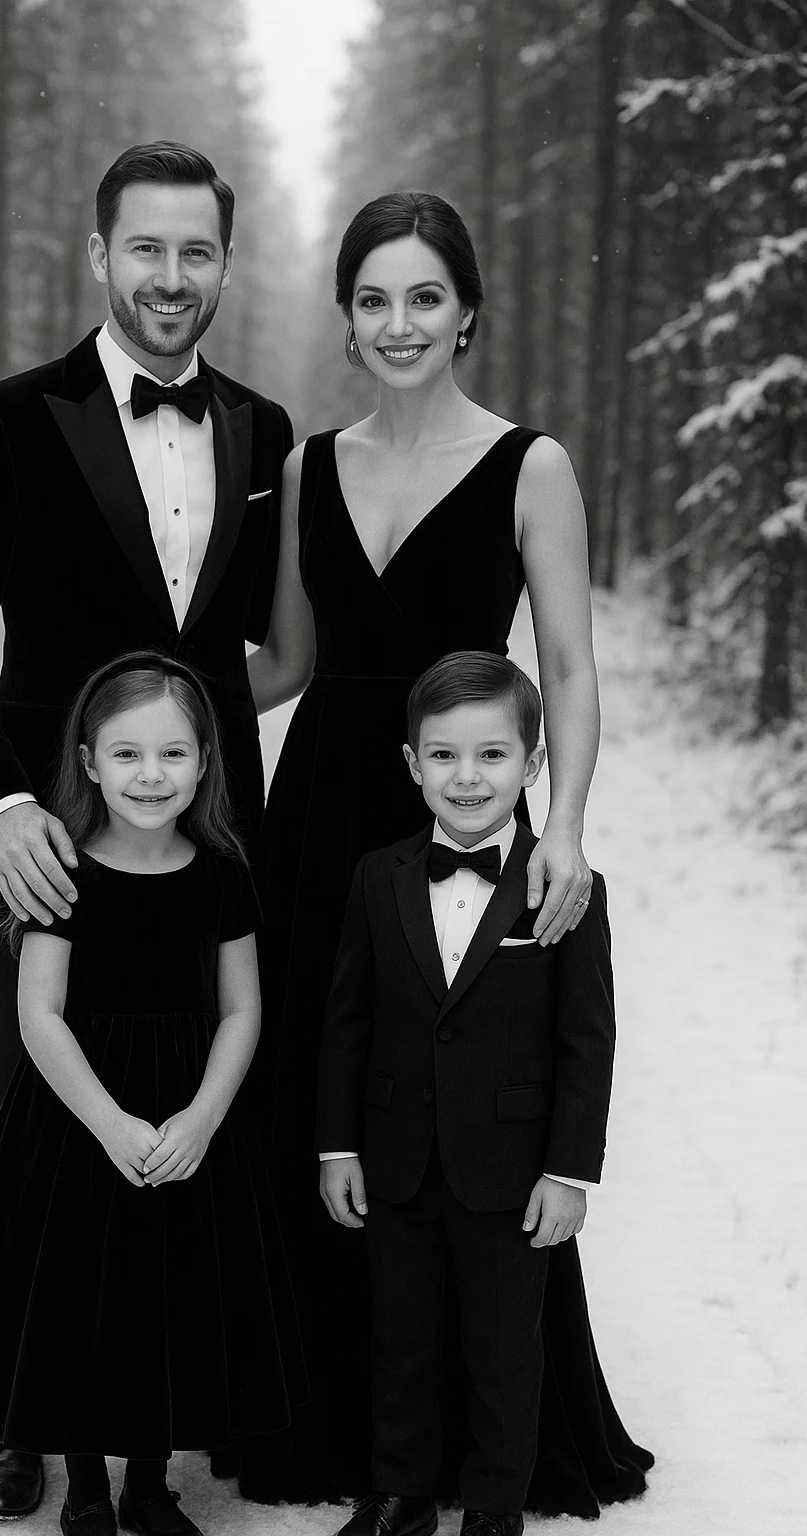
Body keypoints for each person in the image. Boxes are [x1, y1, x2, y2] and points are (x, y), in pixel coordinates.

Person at [237, 191, 652, 1512]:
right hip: (318, 828)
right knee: (330, 1101)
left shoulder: (531, 464)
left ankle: (493, 1433)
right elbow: (289, 664)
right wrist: (136, 707)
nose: (399, 321)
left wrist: (567, 825)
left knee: (476, 1108)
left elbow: (572, 670)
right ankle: (325, 1423)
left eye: (425, 296)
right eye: (373, 298)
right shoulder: (308, 466)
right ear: (347, 320)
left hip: (462, 809)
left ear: (467, 311)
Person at [0, 141, 292, 1517]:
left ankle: (180, 1396)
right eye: (147, 249)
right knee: (31, 1105)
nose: (171, 278)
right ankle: (15, 1407)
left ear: (225, 265)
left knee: (193, 1106)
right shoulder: (8, 418)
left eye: (197, 253)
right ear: (99, 255)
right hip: (48, 839)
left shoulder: (263, 428)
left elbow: (253, 651)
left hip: (198, 842)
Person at [0, 653, 306, 1536]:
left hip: (182, 1116)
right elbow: (40, 1016)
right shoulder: (63, 873)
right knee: (77, 1294)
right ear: (88, 761)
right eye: (126, 754)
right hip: (79, 1119)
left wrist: (201, 1117)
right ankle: (86, 1485)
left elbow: (244, 1008)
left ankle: (149, 1484)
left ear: (207, 760)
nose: (150, 775)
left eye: (173, 753)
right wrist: (109, 1124)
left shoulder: (222, 873)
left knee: (164, 1294)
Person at [316, 652, 616, 1536]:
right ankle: (400, 1493)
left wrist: (569, 1170)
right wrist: (337, 1145)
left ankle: (494, 1505)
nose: (467, 777)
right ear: (412, 764)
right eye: (443, 756)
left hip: (512, 1167)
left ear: (532, 766)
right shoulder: (379, 876)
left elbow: (586, 1042)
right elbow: (348, 1021)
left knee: (503, 1346)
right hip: (397, 1158)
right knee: (399, 1338)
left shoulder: (564, 887)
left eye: (492, 756)